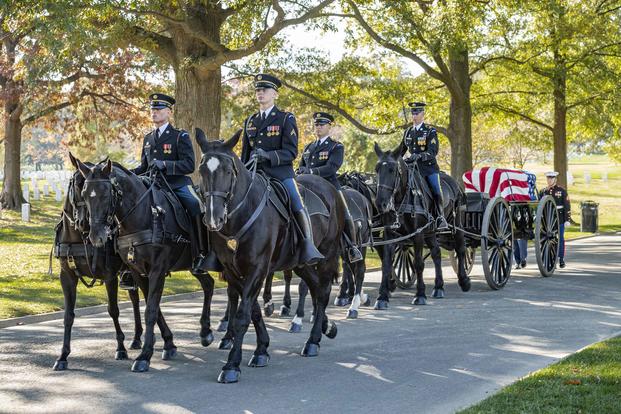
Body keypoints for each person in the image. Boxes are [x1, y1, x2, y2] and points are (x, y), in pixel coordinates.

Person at [125, 93, 218, 289]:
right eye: (152, 109)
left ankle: (201, 254)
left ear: (169, 112)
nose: (155, 113)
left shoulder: (179, 136)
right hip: (153, 184)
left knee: (195, 205)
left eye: (159, 110)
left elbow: (189, 164)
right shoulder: (148, 138)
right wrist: (128, 174)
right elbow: (144, 166)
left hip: (177, 184)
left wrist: (165, 164)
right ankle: (128, 264)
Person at [240, 74, 324, 265]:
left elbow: (291, 152)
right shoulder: (250, 121)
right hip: (255, 174)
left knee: (296, 202)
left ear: (275, 94)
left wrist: (268, 156)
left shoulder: (285, 118)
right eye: (258, 90)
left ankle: (307, 245)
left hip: (280, 174)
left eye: (265, 90)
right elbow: (245, 153)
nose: (260, 93)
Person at [297, 112, 363, 262]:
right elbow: (302, 165)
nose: (318, 127)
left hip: (330, 185)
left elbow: (332, 167)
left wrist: (312, 171)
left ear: (329, 127)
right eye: (316, 125)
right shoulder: (309, 147)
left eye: (322, 125)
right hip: (308, 186)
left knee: (345, 212)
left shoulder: (336, 146)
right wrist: (301, 171)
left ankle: (352, 246)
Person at [402, 102, 447, 229]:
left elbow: (433, 151)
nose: (414, 116)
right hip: (412, 168)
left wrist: (420, 156)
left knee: (435, 189)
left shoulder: (429, 131)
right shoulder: (408, 132)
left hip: (428, 168)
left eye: (417, 113)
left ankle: (440, 217)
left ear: (423, 114)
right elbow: (401, 150)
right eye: (413, 113)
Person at [539, 171, 571, 268]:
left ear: (555, 179)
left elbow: (567, 205)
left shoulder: (561, 191)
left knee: (560, 239)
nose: (549, 180)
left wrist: (567, 219)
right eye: (548, 178)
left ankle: (561, 259)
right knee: (546, 240)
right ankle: (548, 259)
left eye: (551, 178)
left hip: (559, 218)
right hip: (547, 220)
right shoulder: (543, 191)